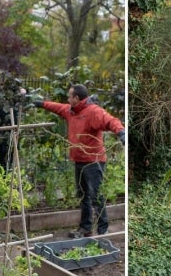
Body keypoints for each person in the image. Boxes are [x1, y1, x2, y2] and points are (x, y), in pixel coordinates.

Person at [34, 84, 125, 238]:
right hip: (79, 161)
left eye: (70, 96)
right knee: (83, 196)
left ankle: (103, 231)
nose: (68, 99)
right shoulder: (71, 111)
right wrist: (41, 104)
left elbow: (110, 120)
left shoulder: (93, 111)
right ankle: (85, 228)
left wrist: (121, 132)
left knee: (96, 195)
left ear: (76, 98)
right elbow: (57, 107)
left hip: (94, 161)